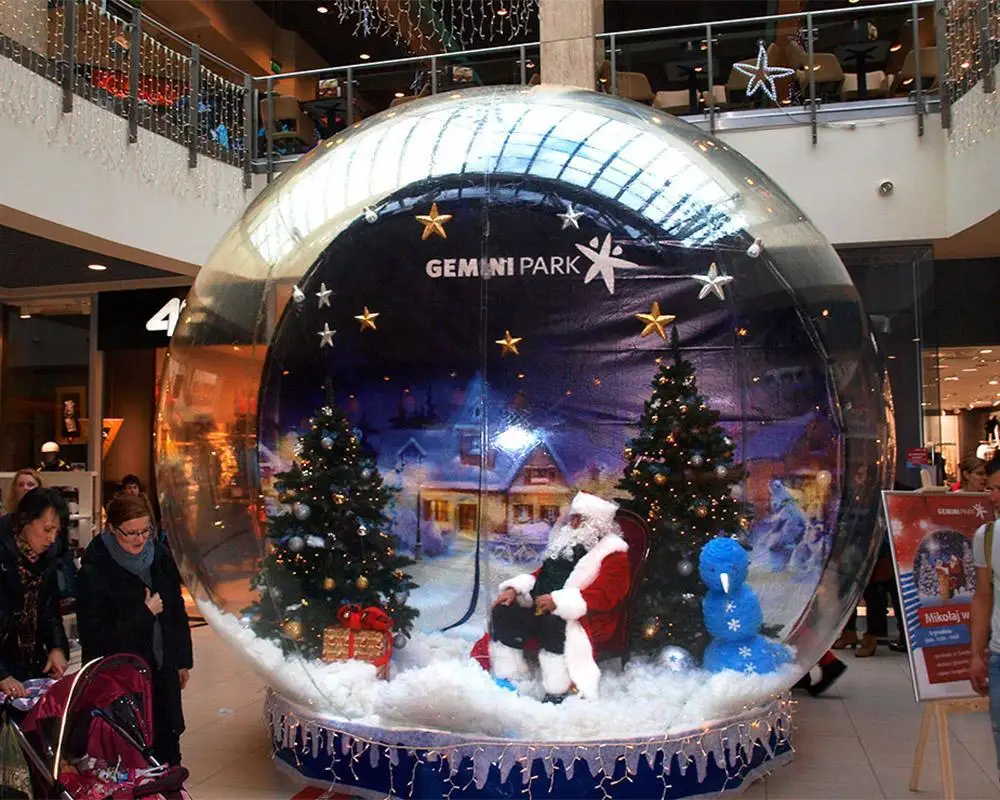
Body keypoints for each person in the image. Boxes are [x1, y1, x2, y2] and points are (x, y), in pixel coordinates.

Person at [76, 494, 193, 765]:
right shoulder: (95, 570)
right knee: (130, 756)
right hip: (119, 681)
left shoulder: (159, 556)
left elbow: (175, 612)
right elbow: (95, 638)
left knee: (167, 749)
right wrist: (144, 614)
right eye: (130, 533)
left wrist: (181, 661)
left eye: (145, 531)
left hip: (161, 671)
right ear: (112, 529)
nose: (140, 540)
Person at [489, 491, 629, 702]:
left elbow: (607, 595)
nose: (571, 522)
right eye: (572, 516)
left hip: (585, 618)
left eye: (579, 518)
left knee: (554, 621)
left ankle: (557, 689)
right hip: (541, 608)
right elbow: (542, 576)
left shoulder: (614, 555)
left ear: (597, 524)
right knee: (503, 610)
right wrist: (514, 590)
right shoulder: (566, 546)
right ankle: (510, 675)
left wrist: (559, 603)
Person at [0, 488, 70, 698]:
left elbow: (50, 609)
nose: (51, 538)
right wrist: (2, 674)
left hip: (30, 662)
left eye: (56, 532)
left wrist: (57, 648)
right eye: (47, 529)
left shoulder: (48, 556)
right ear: (25, 521)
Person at [970, 457, 1000, 774]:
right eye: (991, 489)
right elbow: (982, 596)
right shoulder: (987, 536)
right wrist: (976, 654)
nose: (992, 497)